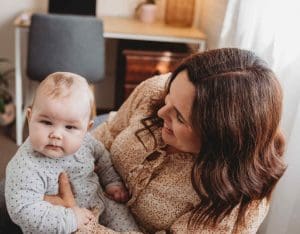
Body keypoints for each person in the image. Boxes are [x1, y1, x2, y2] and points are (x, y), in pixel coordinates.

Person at [0, 48, 286, 233]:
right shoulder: (156, 93)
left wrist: (78, 219)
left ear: (218, 139)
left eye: (180, 117)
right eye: (169, 96)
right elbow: (105, 137)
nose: (161, 111)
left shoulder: (236, 205)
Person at [5, 72, 139, 233]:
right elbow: (22, 210)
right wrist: (71, 218)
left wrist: (112, 182)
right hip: (58, 224)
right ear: (29, 117)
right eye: (46, 122)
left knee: (120, 213)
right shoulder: (25, 165)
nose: (56, 134)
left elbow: (103, 157)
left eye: (70, 127)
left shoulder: (87, 143)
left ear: (86, 129)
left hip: (99, 203)